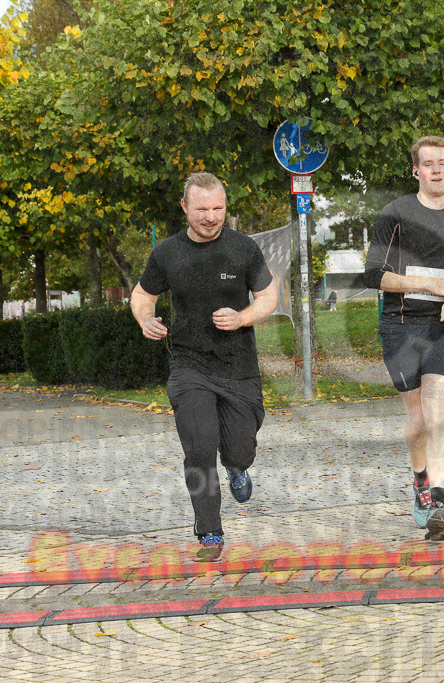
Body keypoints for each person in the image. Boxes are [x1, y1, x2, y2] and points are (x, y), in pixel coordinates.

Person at [131, 172, 277, 561]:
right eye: (202, 209)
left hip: (238, 366)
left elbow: (268, 296)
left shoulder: (244, 249)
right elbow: (143, 294)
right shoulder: (167, 253)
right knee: (199, 446)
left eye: (218, 208)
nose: (212, 217)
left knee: (239, 447)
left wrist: (244, 317)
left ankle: (238, 468)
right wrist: (145, 318)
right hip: (189, 365)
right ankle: (209, 530)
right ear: (184, 208)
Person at [363, 135, 444, 541]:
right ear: (416, 170)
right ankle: (419, 481)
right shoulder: (395, 213)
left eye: (442, 163)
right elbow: (374, 275)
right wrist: (432, 286)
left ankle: (438, 500)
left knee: (436, 415)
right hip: (400, 326)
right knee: (416, 420)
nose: (435, 169)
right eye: (427, 163)